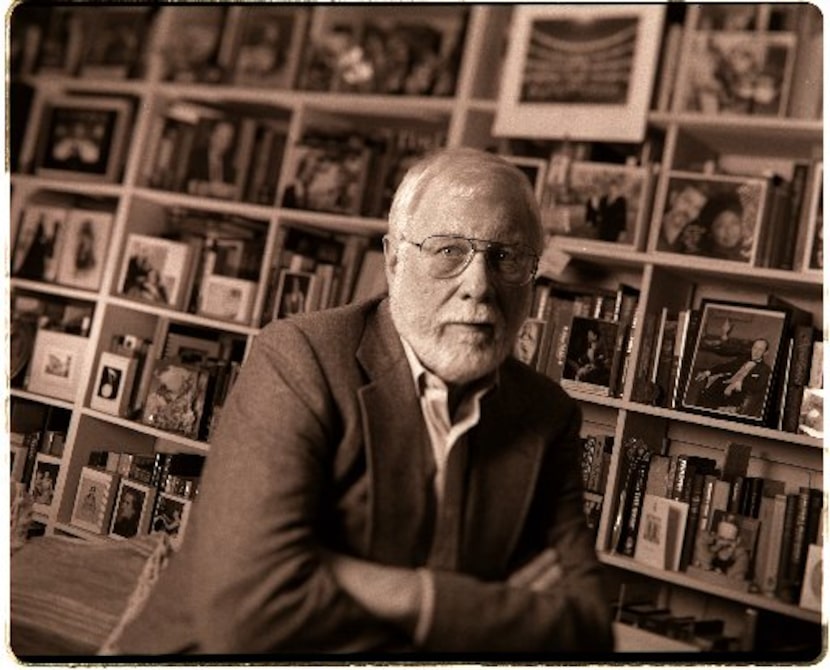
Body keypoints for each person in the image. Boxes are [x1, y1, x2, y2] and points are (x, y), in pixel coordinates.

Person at [111, 148, 613, 656]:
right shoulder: (300, 358)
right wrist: (485, 612)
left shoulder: (548, 414)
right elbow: (250, 617)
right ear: (394, 260)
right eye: (448, 251)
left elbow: (589, 629)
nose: (479, 287)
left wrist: (407, 596)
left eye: (507, 258)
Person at [694, 337, 772, 418]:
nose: (756, 352)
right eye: (755, 348)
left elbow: (757, 387)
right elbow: (727, 366)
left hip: (736, 395)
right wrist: (707, 372)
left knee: (709, 405)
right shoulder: (743, 359)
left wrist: (739, 384)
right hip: (722, 386)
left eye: (760, 349)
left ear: (765, 353)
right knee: (702, 400)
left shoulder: (765, 370)